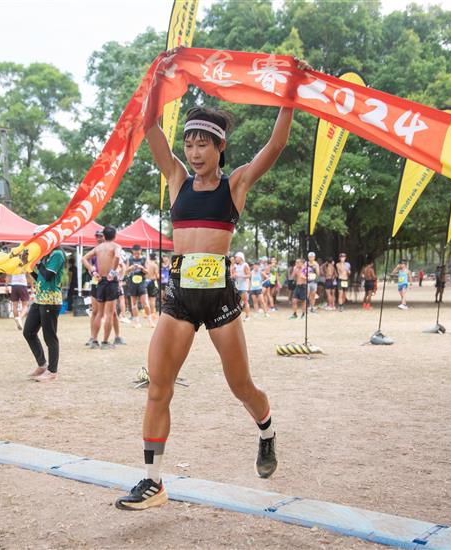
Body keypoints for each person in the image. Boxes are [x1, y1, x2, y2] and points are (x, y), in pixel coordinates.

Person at [115, 73, 303, 510]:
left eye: (203, 144)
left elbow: (275, 145)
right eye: (189, 144)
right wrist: (155, 85)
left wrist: (290, 95)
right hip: (179, 297)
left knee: (241, 386)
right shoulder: (176, 178)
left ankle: (267, 430)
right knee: (158, 388)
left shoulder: (234, 184)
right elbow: (149, 126)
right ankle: (153, 482)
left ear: (220, 147)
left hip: (219, 299)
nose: (194, 153)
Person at [23, 225, 66, 382]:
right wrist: (28, 266)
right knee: (28, 332)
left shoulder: (57, 254)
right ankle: (42, 364)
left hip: (51, 300)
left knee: (50, 337)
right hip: (40, 299)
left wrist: (37, 260)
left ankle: (52, 371)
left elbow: (48, 275)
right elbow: (40, 278)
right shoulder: (46, 255)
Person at [82, 226, 121, 349]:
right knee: (109, 313)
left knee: (99, 313)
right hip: (110, 281)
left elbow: (84, 258)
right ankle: (105, 342)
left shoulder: (98, 248)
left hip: (99, 281)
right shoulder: (116, 246)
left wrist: (93, 271)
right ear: (114, 236)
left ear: (104, 236)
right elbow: (117, 257)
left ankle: (94, 340)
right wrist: (112, 272)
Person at [125, 244, 154, 327]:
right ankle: (136, 322)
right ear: (132, 251)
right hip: (132, 283)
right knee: (134, 303)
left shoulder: (144, 259)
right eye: (135, 253)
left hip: (142, 283)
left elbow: (147, 272)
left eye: (138, 253)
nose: (136, 255)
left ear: (141, 251)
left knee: (145, 302)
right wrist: (130, 268)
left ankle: (150, 321)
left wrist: (141, 268)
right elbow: (126, 272)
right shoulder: (130, 259)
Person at [232, 252, 251, 321]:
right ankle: (236, 317)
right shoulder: (235, 266)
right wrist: (233, 275)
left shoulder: (245, 265)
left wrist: (239, 276)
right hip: (236, 287)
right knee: (236, 303)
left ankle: (248, 316)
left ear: (241, 258)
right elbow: (232, 274)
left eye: (236, 257)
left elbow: (249, 275)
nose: (235, 259)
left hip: (243, 287)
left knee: (245, 302)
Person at [146, 252, 160, 319]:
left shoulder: (146, 264)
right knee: (152, 299)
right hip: (152, 281)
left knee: (147, 299)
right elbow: (157, 276)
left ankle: (147, 314)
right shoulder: (155, 265)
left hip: (146, 281)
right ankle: (153, 314)